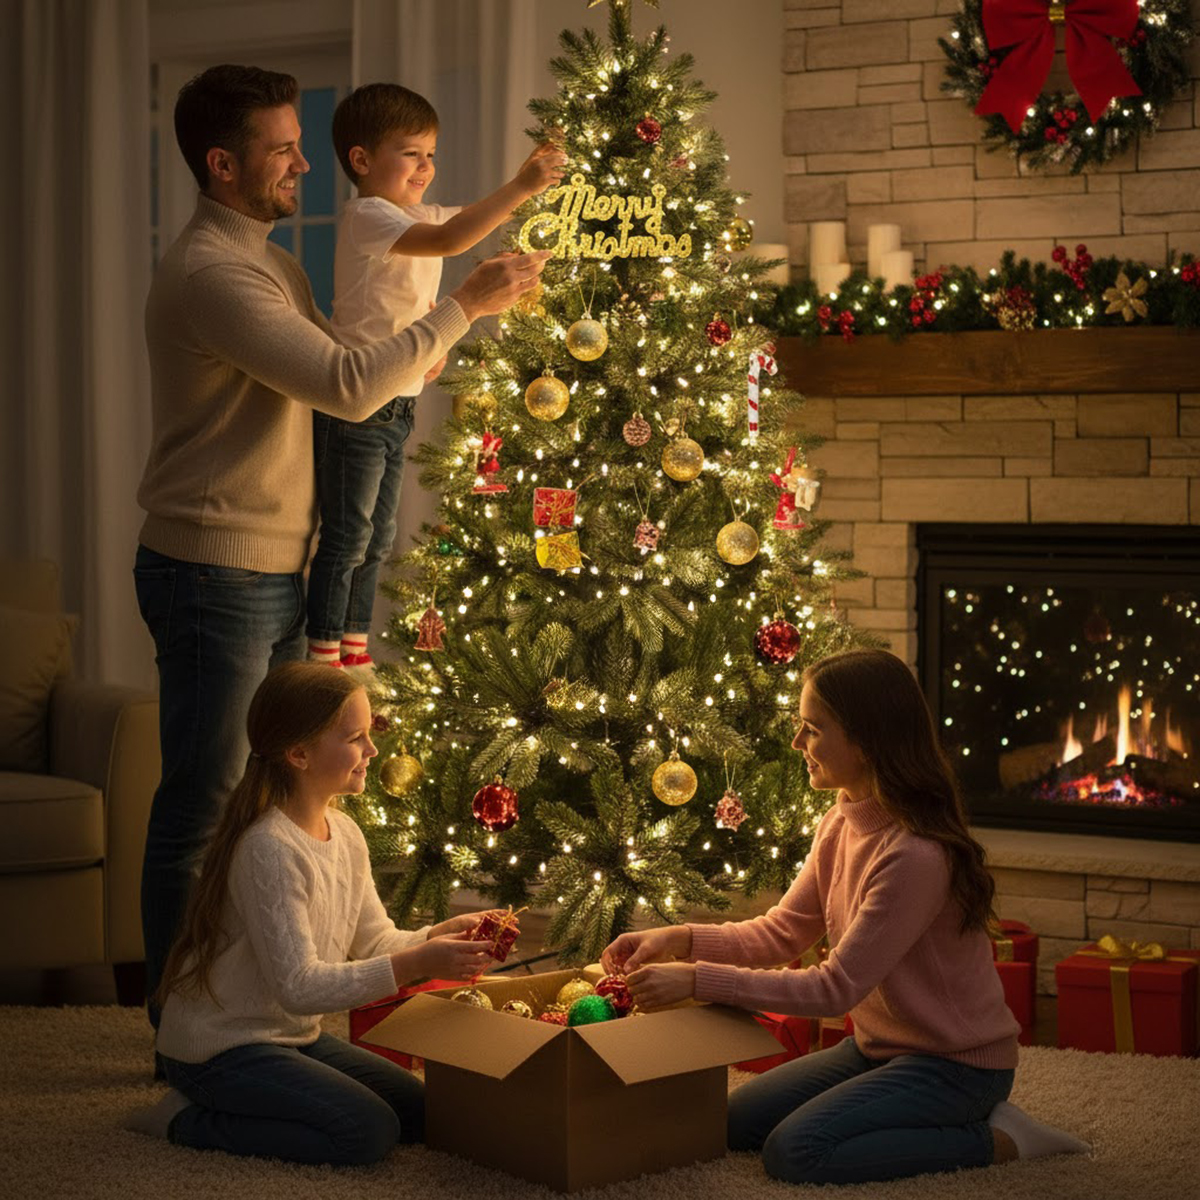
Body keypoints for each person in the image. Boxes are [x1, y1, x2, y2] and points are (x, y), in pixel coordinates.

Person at [133, 63, 549, 1022]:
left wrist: (434, 340)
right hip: (215, 567)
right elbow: (352, 386)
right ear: (222, 162)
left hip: (272, 564)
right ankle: (177, 1022)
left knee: (263, 813)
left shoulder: (270, 261)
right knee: (204, 811)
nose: (302, 166)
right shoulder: (216, 274)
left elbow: (356, 367)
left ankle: (254, 1004)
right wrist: (464, 305)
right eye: (282, 149)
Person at [602, 648, 1089, 1186]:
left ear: (866, 739)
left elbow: (834, 989)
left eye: (812, 729)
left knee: (796, 1152)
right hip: (877, 1049)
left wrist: (695, 979)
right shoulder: (840, 822)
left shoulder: (913, 855)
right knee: (731, 1123)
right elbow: (782, 932)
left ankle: (1003, 1138)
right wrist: (675, 939)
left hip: (957, 1066)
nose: (796, 745)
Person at [124, 662, 500, 1164]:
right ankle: (183, 1118)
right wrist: (419, 964)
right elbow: (299, 988)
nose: (372, 752)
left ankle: (267, 1098)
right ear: (298, 753)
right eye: (356, 738)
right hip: (220, 1048)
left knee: (424, 1113)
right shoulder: (269, 849)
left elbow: (374, 941)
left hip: (289, 1036)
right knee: (366, 1132)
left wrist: (437, 937)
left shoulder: (345, 834)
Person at [305, 84, 566, 683]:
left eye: (431, 155)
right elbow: (456, 240)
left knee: (379, 535)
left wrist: (537, 202)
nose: (426, 167)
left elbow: (469, 221)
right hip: (358, 402)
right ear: (362, 161)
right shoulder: (368, 216)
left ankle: (353, 644)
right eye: (411, 154)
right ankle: (323, 653)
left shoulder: (413, 214)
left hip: (397, 399)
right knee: (348, 534)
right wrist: (523, 184)